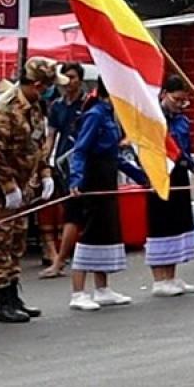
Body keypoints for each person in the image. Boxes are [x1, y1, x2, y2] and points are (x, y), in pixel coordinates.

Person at [0, 58, 59, 324]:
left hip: (21, 186)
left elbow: (37, 144)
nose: (47, 92)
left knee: (16, 240)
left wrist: (45, 174)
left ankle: (14, 296)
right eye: (45, 87)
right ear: (36, 84)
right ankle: (2, 302)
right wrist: (9, 187)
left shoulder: (34, 108)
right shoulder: (3, 110)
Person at [65, 83, 139, 312]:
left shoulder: (109, 114)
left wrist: (142, 177)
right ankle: (78, 292)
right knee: (89, 234)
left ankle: (102, 288)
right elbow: (80, 149)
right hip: (92, 181)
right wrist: (76, 179)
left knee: (105, 233)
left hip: (107, 179)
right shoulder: (95, 115)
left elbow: (116, 156)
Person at [149, 76, 194, 297]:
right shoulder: (153, 119)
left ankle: (172, 276)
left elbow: (185, 155)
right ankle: (159, 278)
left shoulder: (182, 120)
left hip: (180, 174)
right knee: (161, 225)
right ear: (164, 94)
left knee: (178, 225)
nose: (179, 104)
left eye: (183, 100)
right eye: (176, 99)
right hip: (160, 175)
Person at [40, 61, 87, 279]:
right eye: (65, 78)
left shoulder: (87, 105)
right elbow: (50, 136)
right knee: (61, 210)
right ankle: (56, 256)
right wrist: (44, 163)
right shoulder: (56, 106)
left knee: (75, 213)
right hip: (61, 164)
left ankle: (64, 259)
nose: (69, 82)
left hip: (83, 165)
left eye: (73, 77)